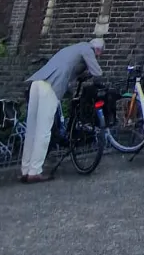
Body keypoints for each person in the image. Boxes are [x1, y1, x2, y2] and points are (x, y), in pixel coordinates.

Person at [20, 38, 105, 183]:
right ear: (98, 50)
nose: (97, 56)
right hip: (50, 86)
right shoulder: (87, 49)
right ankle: (35, 171)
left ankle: (25, 170)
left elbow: (68, 71)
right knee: (44, 130)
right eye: (99, 55)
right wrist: (99, 81)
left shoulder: (71, 49)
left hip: (37, 83)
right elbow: (97, 73)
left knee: (32, 129)